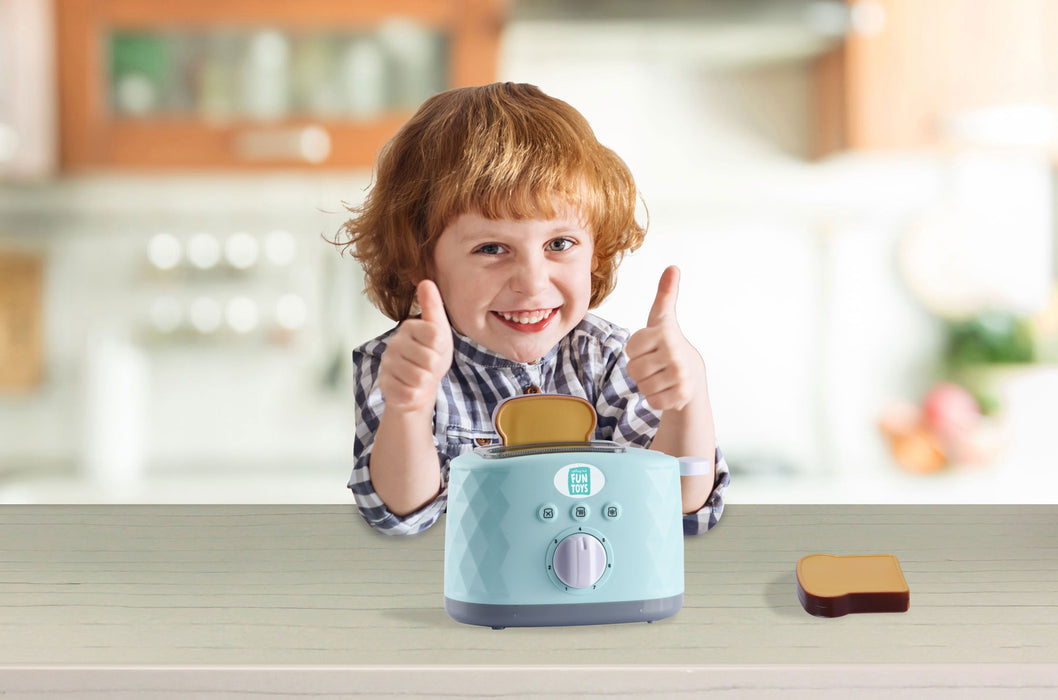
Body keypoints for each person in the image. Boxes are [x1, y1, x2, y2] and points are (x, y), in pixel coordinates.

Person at [332, 82, 729, 536]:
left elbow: (677, 508)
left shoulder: (612, 360)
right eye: (492, 248)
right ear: (422, 258)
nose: (533, 282)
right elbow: (402, 514)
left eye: (559, 244)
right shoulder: (399, 366)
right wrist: (409, 410)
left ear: (595, 251)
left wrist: (688, 400)